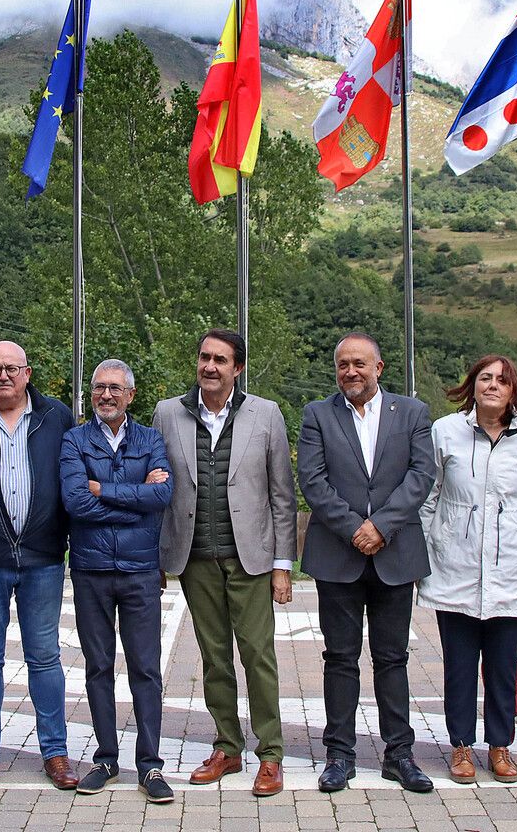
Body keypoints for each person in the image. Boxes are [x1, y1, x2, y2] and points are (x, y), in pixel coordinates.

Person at [154, 330, 297, 797]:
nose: (209, 366)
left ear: (237, 368)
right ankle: (227, 746)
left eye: (220, 359)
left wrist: (281, 564)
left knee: (258, 656)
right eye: (203, 357)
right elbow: (157, 490)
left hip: (250, 558)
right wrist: (157, 557)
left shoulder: (266, 414)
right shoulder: (168, 413)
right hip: (194, 556)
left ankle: (270, 754)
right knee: (214, 659)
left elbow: (281, 495)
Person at [297, 332, 437, 794]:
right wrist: (354, 527)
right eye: (342, 365)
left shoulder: (413, 413)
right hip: (338, 554)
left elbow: (421, 475)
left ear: (380, 367)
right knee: (339, 658)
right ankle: (339, 754)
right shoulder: (318, 414)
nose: (350, 372)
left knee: (392, 658)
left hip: (395, 553)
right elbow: (312, 481)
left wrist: (382, 526)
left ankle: (399, 753)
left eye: (359, 363)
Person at [417, 355, 517, 785]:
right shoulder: (445, 431)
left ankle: (499, 746)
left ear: (514, 390)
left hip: (509, 572)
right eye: (485, 378)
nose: (493, 385)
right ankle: (460, 746)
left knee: (500, 665)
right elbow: (428, 497)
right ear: (471, 386)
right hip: (453, 567)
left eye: (502, 380)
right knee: (458, 664)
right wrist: (430, 550)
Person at [0, 341, 78, 792]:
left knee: (45, 656)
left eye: (11, 368)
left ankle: (55, 752)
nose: (3, 375)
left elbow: (75, 476)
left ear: (28, 372)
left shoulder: (57, 417)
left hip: (42, 558)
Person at [60, 359, 174, 803]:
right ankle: (106, 757)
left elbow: (162, 495)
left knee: (146, 670)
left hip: (141, 570)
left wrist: (102, 489)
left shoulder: (151, 439)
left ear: (130, 394)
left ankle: (150, 766)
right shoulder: (74, 440)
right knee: (98, 666)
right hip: (90, 570)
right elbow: (74, 502)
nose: (105, 396)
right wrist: (135, 499)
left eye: (114, 389)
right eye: (98, 388)